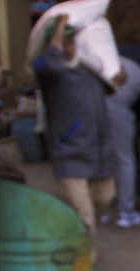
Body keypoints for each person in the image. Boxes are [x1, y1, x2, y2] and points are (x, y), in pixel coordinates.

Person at [33, 13, 116, 240]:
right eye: (64, 43)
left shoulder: (89, 71)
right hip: (69, 151)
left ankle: (72, 240)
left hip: (99, 150)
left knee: (105, 198)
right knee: (84, 217)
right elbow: (50, 62)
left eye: (72, 42)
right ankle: (85, 265)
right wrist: (58, 28)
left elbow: (115, 81)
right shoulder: (49, 73)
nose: (68, 48)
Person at [104, 54, 140, 227]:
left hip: (96, 104)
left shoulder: (114, 57)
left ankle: (101, 209)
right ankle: (126, 212)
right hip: (116, 108)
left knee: (104, 155)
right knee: (125, 159)